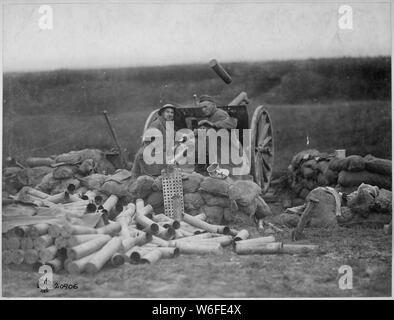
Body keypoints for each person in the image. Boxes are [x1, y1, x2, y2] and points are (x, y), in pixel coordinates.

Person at [130, 104, 176, 179]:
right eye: (167, 112)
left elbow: (176, 135)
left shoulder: (168, 125)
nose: (170, 114)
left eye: (172, 112)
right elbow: (147, 141)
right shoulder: (156, 124)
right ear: (162, 113)